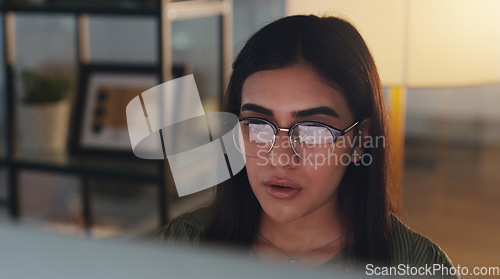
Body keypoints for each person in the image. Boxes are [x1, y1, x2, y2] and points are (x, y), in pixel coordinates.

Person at [156, 14, 455, 274]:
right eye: (259, 124)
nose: (281, 158)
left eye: (313, 130)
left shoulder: (418, 266)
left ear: (361, 138)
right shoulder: (176, 248)